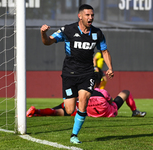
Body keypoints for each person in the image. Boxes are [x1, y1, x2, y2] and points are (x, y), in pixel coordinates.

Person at [40, 4, 114, 144]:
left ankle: (74, 135)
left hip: (87, 73)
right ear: (80, 16)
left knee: (84, 99)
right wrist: (43, 33)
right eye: (87, 15)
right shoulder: (68, 30)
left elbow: (104, 51)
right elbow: (48, 42)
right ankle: (78, 108)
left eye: (92, 15)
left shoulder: (97, 33)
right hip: (69, 73)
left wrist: (110, 67)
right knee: (69, 109)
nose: (90, 17)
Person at [26, 70, 146, 118]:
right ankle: (135, 111)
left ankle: (37, 111)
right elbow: (110, 101)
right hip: (108, 113)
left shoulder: (83, 91)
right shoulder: (102, 91)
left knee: (59, 111)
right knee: (125, 92)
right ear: (99, 82)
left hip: (85, 111)